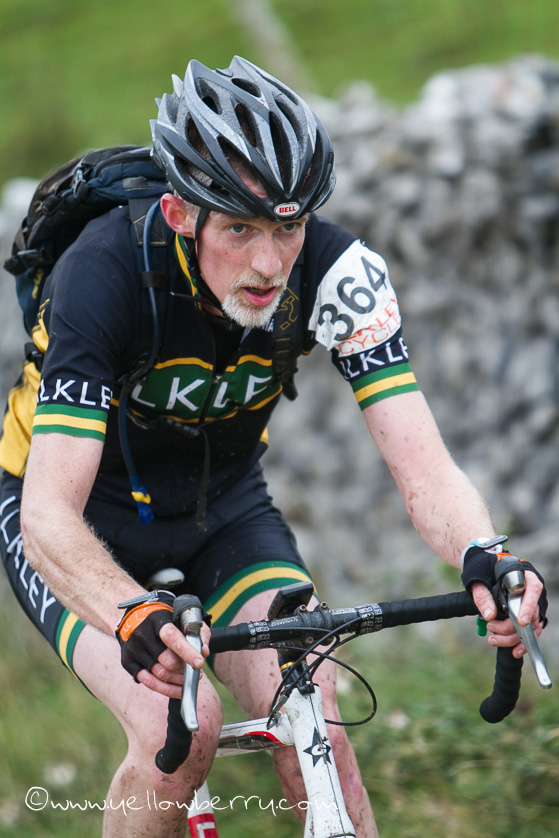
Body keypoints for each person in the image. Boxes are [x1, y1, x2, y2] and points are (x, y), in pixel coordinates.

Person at [0, 56, 547, 837]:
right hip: (80, 524)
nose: (267, 264)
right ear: (181, 213)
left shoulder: (338, 272)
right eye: (239, 229)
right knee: (174, 734)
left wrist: (483, 553)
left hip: (222, 512)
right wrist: (129, 613)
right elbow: (49, 514)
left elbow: (425, 471)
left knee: (315, 713)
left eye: (287, 227)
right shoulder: (102, 274)